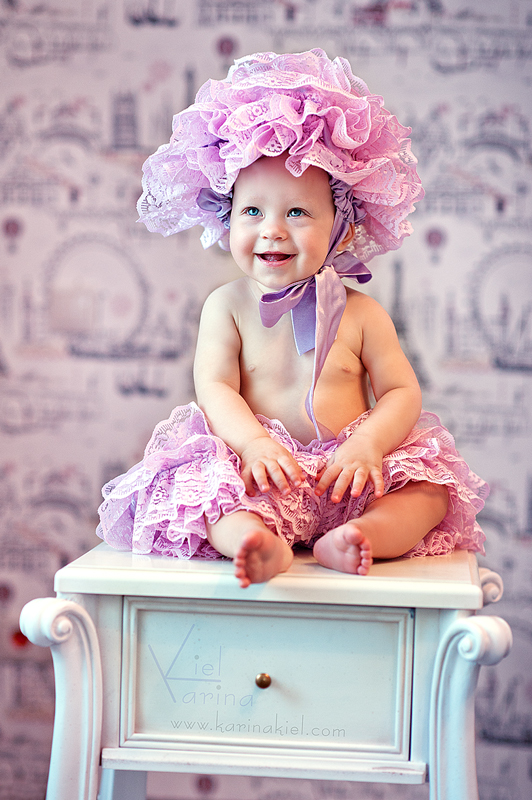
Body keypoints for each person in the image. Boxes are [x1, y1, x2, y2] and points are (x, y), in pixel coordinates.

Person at [97, 49, 487, 588]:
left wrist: (369, 445)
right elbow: (215, 388)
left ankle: (360, 536)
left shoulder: (362, 313)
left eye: (297, 212)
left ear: (342, 229)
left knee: (429, 493)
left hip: (348, 477)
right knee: (204, 495)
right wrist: (253, 445)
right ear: (226, 217)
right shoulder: (226, 306)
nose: (272, 229)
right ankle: (256, 542)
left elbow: (401, 391)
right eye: (252, 211)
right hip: (264, 473)